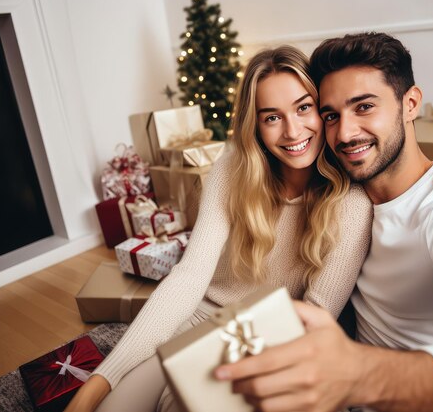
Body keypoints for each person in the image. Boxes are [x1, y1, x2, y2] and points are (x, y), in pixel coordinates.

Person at [215, 32, 433, 412]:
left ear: (410, 103)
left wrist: (358, 374)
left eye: (364, 107)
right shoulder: (338, 190)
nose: (345, 134)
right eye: (331, 115)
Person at [65, 46, 372, 412]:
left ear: (321, 110)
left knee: (179, 404)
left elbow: (315, 313)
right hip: (200, 315)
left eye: (303, 108)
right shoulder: (231, 170)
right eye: (271, 117)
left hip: (267, 336)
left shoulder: (352, 201)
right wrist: (98, 382)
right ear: (254, 125)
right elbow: (190, 276)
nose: (293, 131)